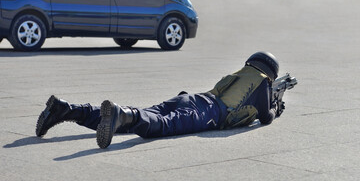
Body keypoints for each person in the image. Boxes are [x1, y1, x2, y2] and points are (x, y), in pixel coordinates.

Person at [36, 51, 281, 149]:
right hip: (207, 114)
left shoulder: (243, 73)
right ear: (271, 73)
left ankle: (66, 110)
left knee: (144, 114)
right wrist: (276, 106)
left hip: (191, 98)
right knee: (162, 125)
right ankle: (124, 115)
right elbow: (265, 117)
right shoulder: (262, 83)